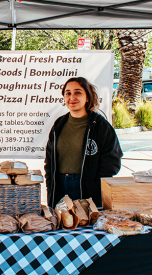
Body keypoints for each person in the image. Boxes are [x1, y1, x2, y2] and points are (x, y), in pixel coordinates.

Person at [44, 77, 123, 208]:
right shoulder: (59, 124)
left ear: (88, 97)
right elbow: (49, 161)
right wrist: (50, 185)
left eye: (78, 92)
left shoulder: (100, 126)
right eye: (68, 93)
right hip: (59, 188)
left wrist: (96, 184)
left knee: (87, 227)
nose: (72, 97)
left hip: (88, 189)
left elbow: (112, 161)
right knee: (62, 226)